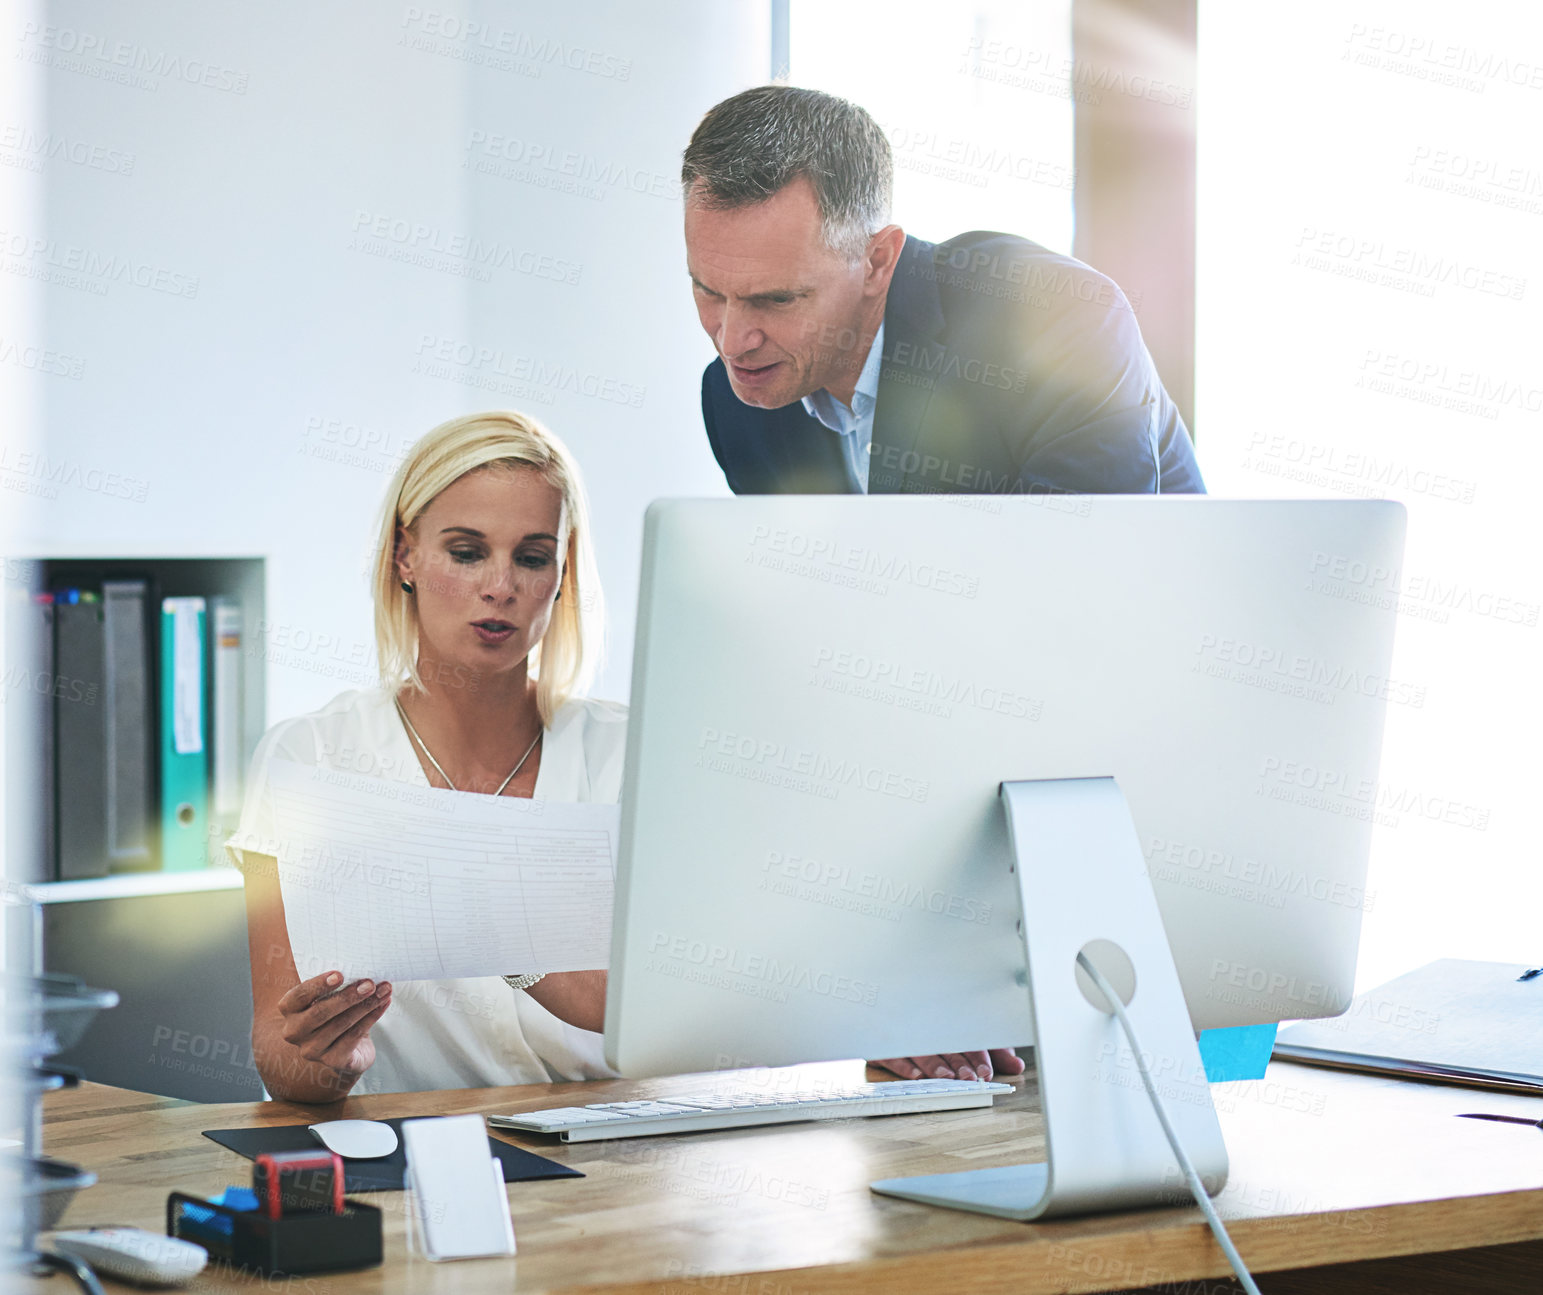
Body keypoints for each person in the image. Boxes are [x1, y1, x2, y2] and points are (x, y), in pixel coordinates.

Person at [226, 410, 623, 1102]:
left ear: (560, 574)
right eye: (466, 552)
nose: (500, 585)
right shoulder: (311, 757)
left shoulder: (628, 754)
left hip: (617, 1154)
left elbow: (683, 1017)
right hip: (418, 1152)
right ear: (403, 556)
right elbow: (276, 1050)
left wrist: (501, 933)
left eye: (531, 557)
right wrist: (331, 1060)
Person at [684, 85, 1205, 499]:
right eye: (708, 291)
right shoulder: (736, 406)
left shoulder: (1054, 320)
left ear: (877, 261)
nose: (732, 342)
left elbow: (1087, 586)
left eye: (776, 299)